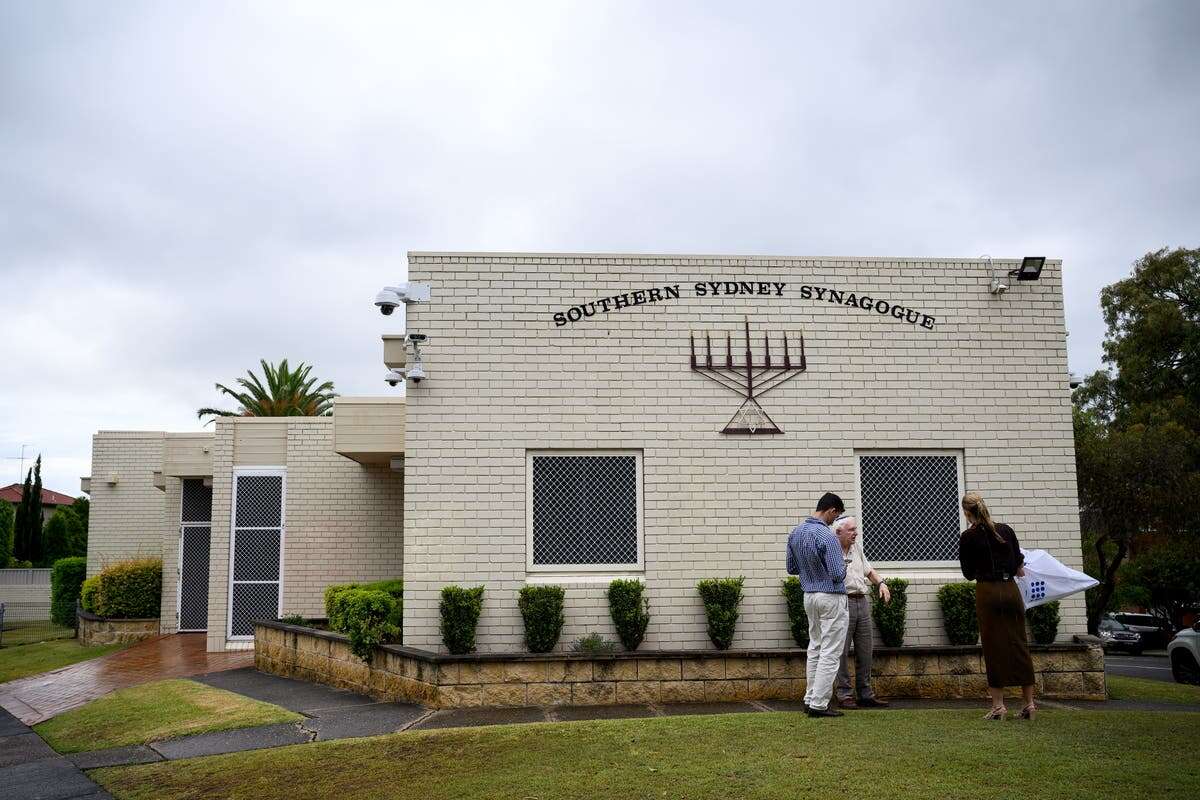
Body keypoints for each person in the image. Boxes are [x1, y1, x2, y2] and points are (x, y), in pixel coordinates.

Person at [958, 492, 1037, 720]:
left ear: (966, 512)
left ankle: (998, 706)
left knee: (993, 647)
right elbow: (1019, 566)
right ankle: (1029, 703)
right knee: (1019, 643)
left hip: (987, 591)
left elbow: (968, 574)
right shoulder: (1006, 530)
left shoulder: (968, 537)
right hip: (1010, 589)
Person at [786, 492, 849, 718]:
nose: (836, 520)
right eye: (837, 515)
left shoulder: (796, 533)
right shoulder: (826, 535)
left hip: (809, 595)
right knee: (831, 651)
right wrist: (845, 565)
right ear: (831, 510)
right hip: (830, 596)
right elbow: (836, 573)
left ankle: (810, 698)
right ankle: (819, 704)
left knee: (815, 648)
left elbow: (792, 568)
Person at [831, 515, 891, 709]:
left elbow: (869, 571)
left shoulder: (857, 548)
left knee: (865, 650)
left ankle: (865, 693)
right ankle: (844, 694)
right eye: (852, 530)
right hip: (842, 602)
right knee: (841, 652)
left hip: (861, 602)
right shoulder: (831, 551)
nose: (856, 533)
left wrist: (881, 583)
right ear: (838, 532)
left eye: (856, 529)